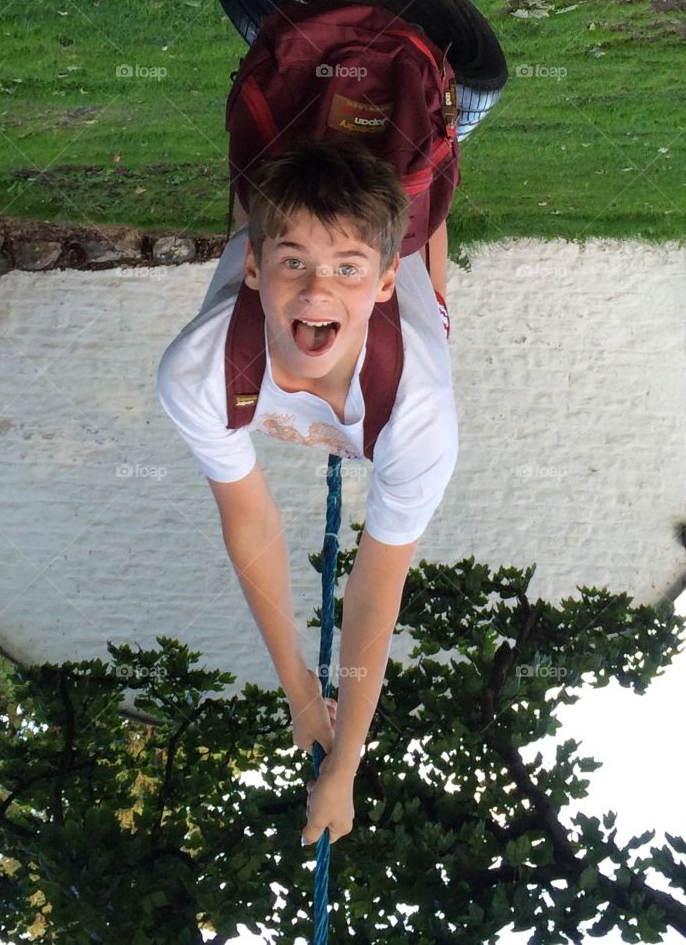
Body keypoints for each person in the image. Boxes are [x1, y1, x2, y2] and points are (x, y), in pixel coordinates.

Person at [156, 137, 457, 848]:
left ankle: (437, 149)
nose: (319, 291)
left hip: (397, 308)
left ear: (381, 283)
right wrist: (299, 692)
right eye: (292, 262)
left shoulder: (417, 413)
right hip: (266, 300)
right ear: (256, 269)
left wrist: (345, 760)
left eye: (349, 270)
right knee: (272, 174)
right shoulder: (200, 372)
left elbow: (376, 585)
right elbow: (253, 525)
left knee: (422, 208)